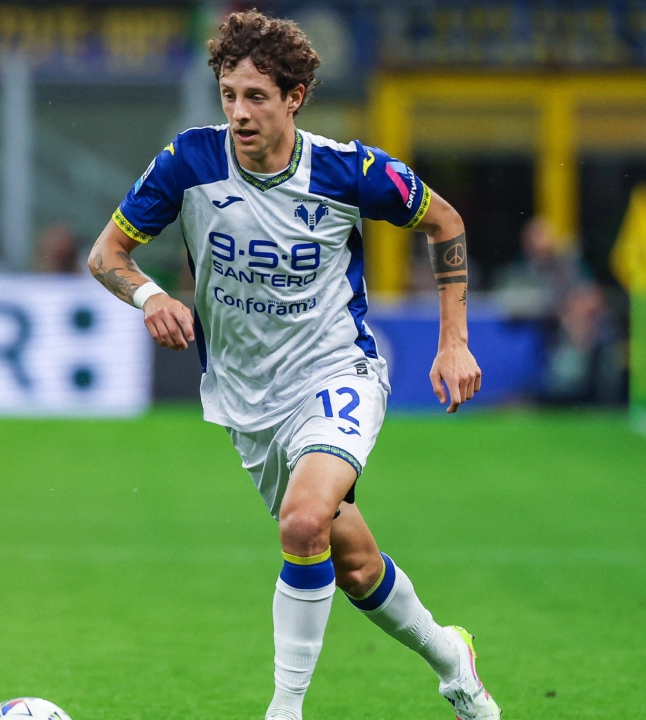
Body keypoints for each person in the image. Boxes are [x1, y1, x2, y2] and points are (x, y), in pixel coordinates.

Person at [86, 11, 497, 720]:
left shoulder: (348, 171)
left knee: (303, 523)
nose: (239, 113)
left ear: (294, 97)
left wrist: (453, 341)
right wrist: (150, 296)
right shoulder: (189, 162)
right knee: (354, 564)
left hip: (337, 370)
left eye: (256, 97)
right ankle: (453, 662)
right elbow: (107, 255)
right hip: (247, 399)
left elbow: (445, 222)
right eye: (228, 95)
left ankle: (285, 710)